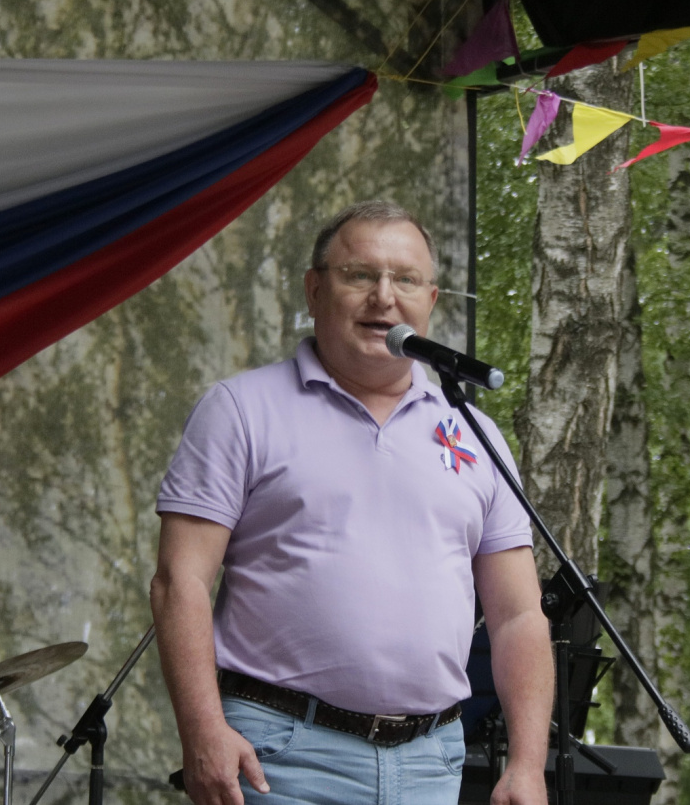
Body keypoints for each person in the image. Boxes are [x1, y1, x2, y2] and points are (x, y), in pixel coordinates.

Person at [150, 201, 553, 805]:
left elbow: (518, 615)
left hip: (432, 762)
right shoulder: (241, 409)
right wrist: (202, 729)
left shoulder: (477, 435)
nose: (383, 297)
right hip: (280, 753)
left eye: (405, 279)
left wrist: (527, 764)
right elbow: (178, 581)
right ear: (314, 291)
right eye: (360, 275)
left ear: (431, 301)